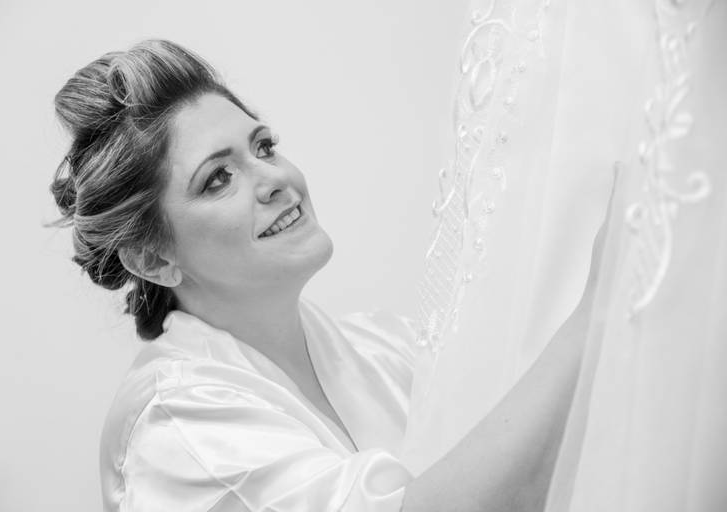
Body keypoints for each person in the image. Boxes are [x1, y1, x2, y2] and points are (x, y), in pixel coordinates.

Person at [49, 39, 609, 512]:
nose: (273, 179)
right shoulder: (175, 429)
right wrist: (598, 310)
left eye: (264, 147)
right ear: (152, 259)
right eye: (218, 178)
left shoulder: (384, 348)